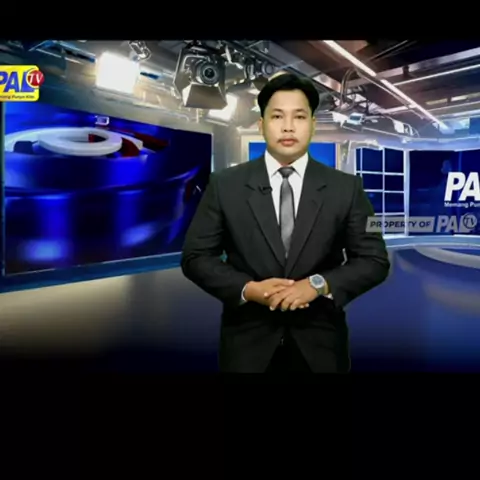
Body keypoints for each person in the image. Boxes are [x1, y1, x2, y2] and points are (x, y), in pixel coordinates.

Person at [181, 73, 390, 373]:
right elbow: (196, 257)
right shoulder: (225, 185)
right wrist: (248, 289)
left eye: (299, 117)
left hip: (320, 348)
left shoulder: (346, 188)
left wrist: (318, 285)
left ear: (313, 125)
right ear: (261, 124)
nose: (288, 126)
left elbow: (374, 260)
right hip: (247, 348)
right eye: (277, 116)